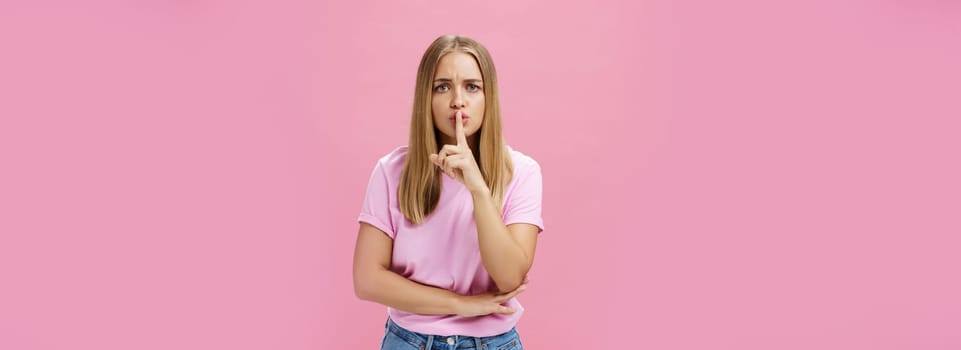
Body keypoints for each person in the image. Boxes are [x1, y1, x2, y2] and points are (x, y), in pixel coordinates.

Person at [352, 34, 545, 350]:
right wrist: (461, 304)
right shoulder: (391, 170)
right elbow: (367, 280)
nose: (458, 100)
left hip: (493, 343)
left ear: (488, 96)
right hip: (409, 341)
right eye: (443, 86)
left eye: (472, 86)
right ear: (426, 99)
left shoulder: (522, 171)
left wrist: (477, 189)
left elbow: (509, 277)